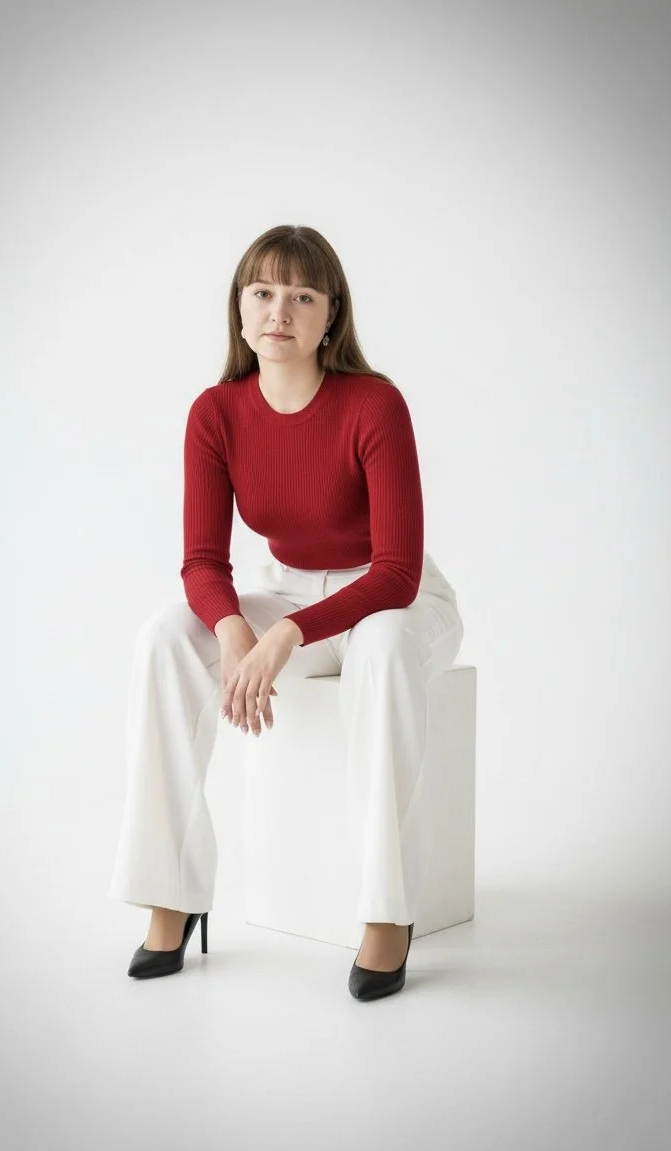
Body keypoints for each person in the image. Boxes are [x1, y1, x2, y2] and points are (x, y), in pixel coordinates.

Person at [108, 224, 464, 1001]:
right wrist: (238, 629)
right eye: (264, 292)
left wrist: (288, 634)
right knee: (170, 636)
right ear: (240, 310)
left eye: (303, 295)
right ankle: (171, 895)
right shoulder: (216, 413)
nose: (281, 310)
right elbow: (203, 561)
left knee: (382, 648)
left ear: (330, 315)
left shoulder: (374, 404)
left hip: (394, 596)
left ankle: (386, 911)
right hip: (291, 587)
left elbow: (399, 571)